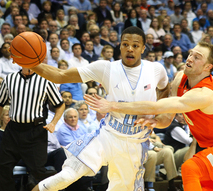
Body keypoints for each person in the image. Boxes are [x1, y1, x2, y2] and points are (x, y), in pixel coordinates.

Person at [86, 42, 213, 190]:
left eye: (197, 57)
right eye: (190, 54)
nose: (190, 58)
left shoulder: (205, 94)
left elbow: (157, 106)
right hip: (211, 146)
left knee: (190, 168)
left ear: (207, 67)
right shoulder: (180, 78)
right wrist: (155, 121)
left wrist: (112, 105)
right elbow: (166, 119)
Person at [31, 26, 169, 191]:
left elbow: (165, 89)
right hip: (107, 136)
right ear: (120, 46)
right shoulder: (106, 68)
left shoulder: (156, 69)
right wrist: (29, 63)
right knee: (66, 176)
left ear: (143, 48)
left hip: (135, 143)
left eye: (135, 45)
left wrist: (158, 115)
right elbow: (60, 76)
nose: (130, 49)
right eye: (125, 44)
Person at [0, 67, 65, 191]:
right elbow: (1, 103)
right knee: (3, 167)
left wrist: (53, 123)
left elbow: (60, 104)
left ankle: (60, 185)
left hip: (35, 131)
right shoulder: (10, 79)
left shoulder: (46, 80)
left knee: (38, 171)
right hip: (13, 130)